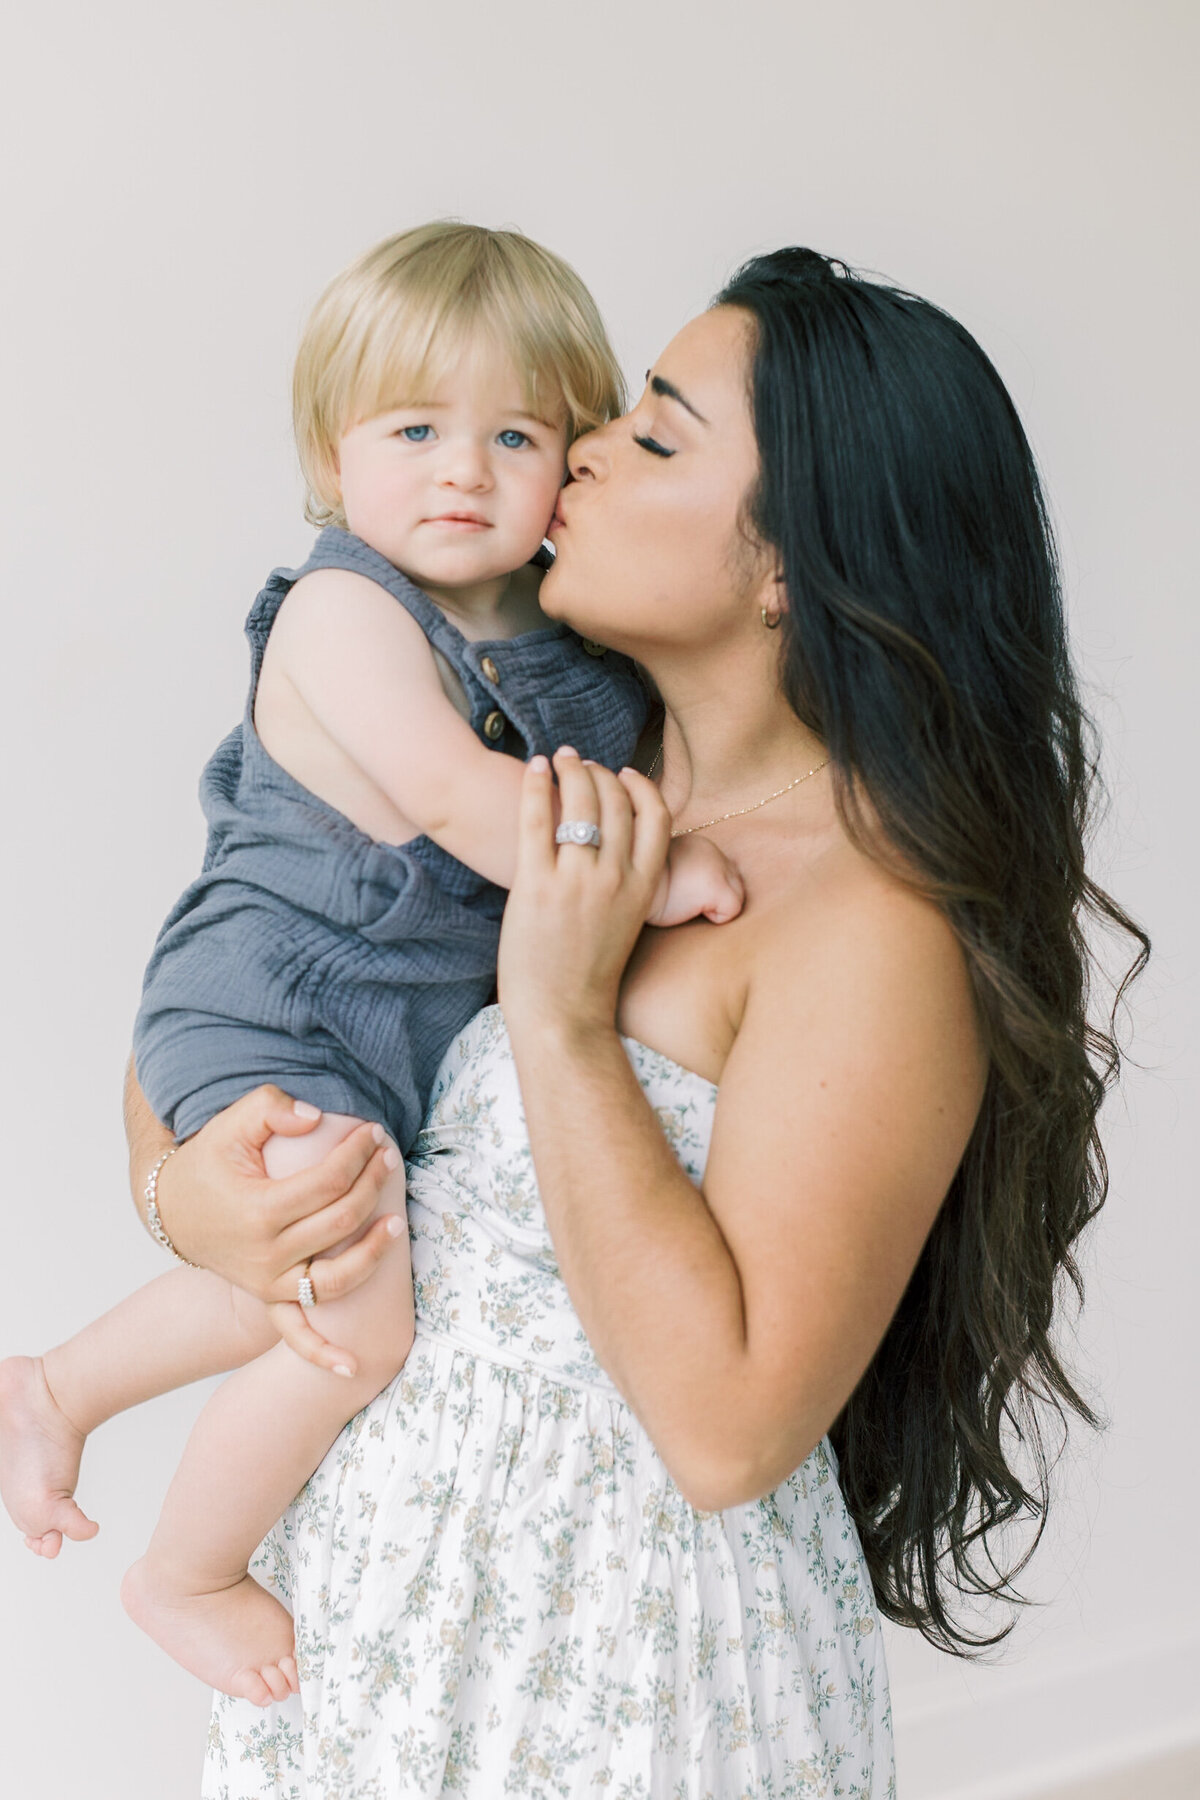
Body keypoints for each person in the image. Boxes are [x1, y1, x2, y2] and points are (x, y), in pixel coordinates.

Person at [124, 247, 1144, 1797]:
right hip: (376, 1625)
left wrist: (561, 1017)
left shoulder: (873, 926)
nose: (577, 444)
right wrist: (185, 1191)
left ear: (790, 562)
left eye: (653, 437)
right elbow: (242, 977)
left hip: (628, 1668)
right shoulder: (517, 751)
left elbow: (730, 1429)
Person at [0, 223, 742, 1710]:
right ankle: (188, 1567)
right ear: (332, 460)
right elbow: (473, 809)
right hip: (276, 990)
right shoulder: (346, 613)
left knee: (319, 1265)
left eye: (515, 434)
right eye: (415, 430)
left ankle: (57, 1383)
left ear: (568, 468)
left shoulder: (560, 638)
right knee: (356, 1306)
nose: (464, 471)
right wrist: (657, 869)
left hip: (382, 1033)